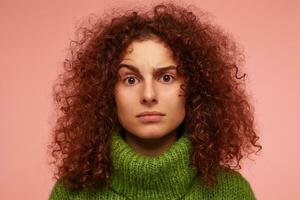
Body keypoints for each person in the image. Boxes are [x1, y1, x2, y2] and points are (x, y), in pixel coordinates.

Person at [48, 3, 262, 200]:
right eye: (131, 80)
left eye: (166, 78)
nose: (149, 95)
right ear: (106, 92)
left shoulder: (233, 193)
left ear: (195, 89)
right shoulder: (70, 194)